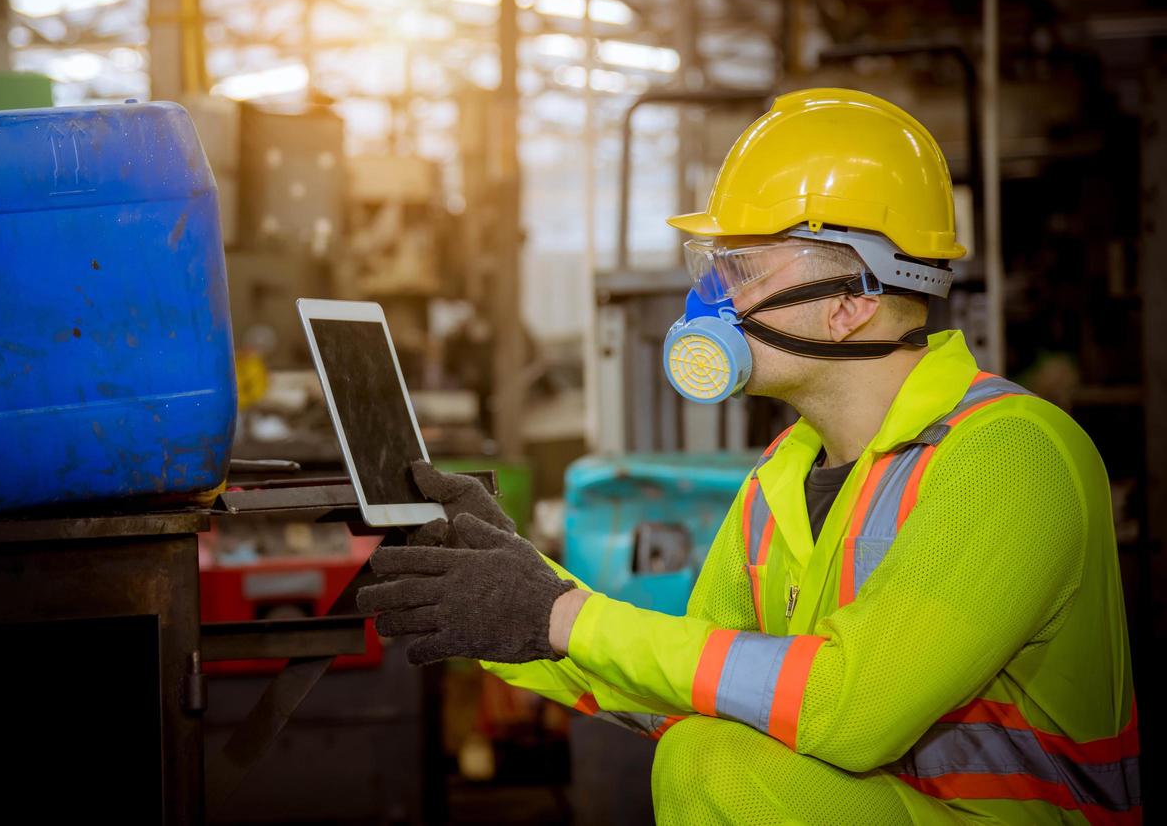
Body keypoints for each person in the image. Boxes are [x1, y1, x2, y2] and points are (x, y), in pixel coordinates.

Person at [358, 89, 1139, 824]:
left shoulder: (1011, 456)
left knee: (714, 766)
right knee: (704, 741)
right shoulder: (781, 480)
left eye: (742, 269)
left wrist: (560, 613)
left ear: (850, 301)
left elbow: (851, 708)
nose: (710, 301)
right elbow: (688, 685)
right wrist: (513, 598)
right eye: (715, 267)